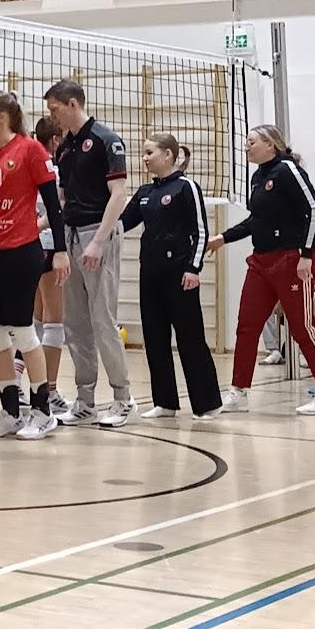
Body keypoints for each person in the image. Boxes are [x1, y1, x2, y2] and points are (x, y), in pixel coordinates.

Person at [205, 125, 315, 416]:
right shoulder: (258, 177)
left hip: (291, 259)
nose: (246, 146)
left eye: (251, 141)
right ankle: (238, 392)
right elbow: (256, 221)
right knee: (247, 325)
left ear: (270, 144)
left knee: (302, 327)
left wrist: (306, 254)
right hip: (261, 260)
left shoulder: (287, 169)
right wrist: (223, 238)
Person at [0, 92, 69, 440]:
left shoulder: (30, 150)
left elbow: (53, 206)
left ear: (2, 116)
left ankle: (41, 411)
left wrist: (60, 251)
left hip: (21, 251)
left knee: (23, 332)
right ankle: (10, 412)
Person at [46, 80, 134, 427]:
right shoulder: (64, 147)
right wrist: (41, 226)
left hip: (98, 233)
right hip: (70, 236)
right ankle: (85, 401)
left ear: (72, 104)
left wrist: (98, 241)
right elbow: (64, 198)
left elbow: (119, 194)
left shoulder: (105, 139)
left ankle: (123, 398)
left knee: (103, 320)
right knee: (75, 323)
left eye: (54, 108)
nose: (51, 115)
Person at [120, 134, 221, 419]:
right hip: (150, 274)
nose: (144, 158)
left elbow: (201, 231)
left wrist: (193, 268)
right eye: (143, 153)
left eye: (149, 152)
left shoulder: (186, 187)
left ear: (168, 155)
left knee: (190, 338)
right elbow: (122, 223)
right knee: (155, 338)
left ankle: (207, 404)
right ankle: (165, 402)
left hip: (180, 274)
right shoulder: (145, 192)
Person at [32, 116, 69, 414]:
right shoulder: (55, 171)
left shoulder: (26, 164)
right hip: (48, 245)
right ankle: (50, 390)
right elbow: (60, 209)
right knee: (54, 320)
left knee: (34, 320)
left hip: (28, 247)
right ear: (56, 140)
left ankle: (27, 388)